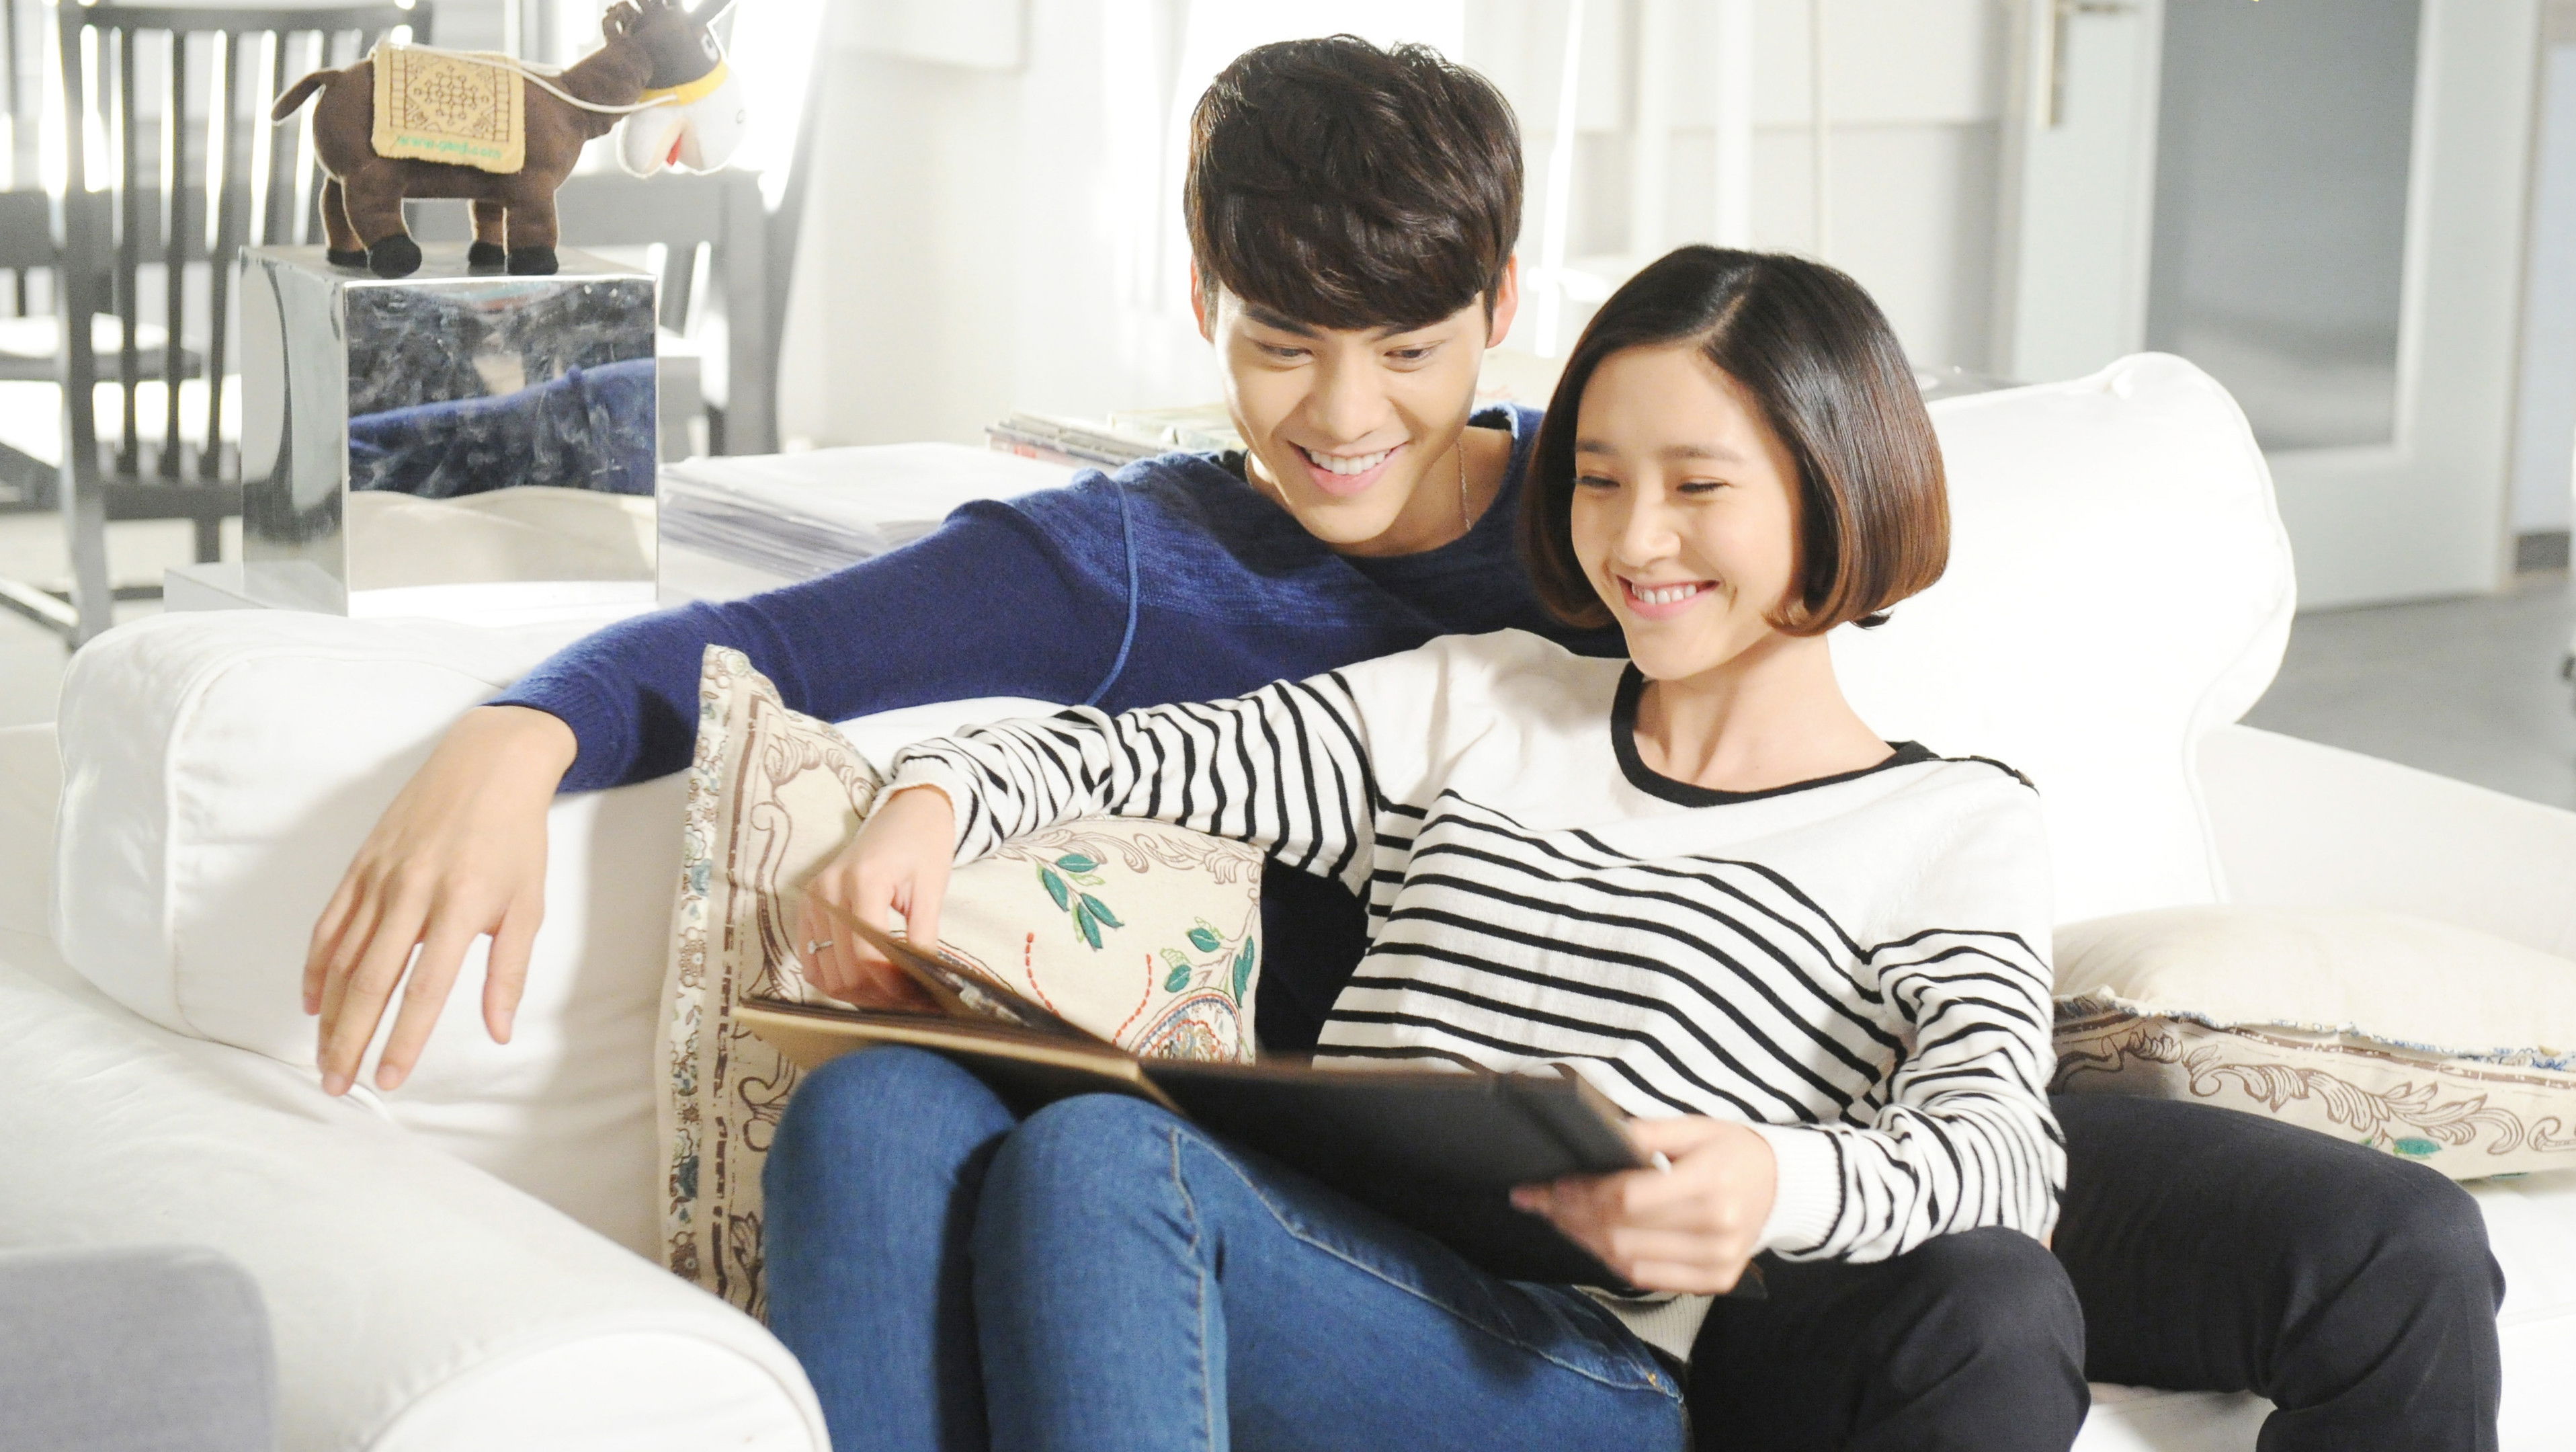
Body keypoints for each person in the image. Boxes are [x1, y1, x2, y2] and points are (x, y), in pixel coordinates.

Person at [766, 247, 2505, 1452]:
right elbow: (1138, 758)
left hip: (1577, 1375)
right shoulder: (1479, 700)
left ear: (1833, 488)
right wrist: (928, 808)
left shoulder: (1946, 827)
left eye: (1698, 485)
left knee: (1104, 1161)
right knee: (874, 1105)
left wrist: (1768, 1183)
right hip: (1313, 1260)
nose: (1636, 539)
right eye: (1599, 479)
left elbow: (1996, 1157)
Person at [302, 36, 1618, 1096]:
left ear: (1501, 305)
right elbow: (772, 647)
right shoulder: (1128, 559)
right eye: (1283, 347)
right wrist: (517, 737)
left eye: (1407, 351)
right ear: (1205, 303)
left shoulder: (1622, 510)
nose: (1343, 414)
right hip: (1282, 1166)